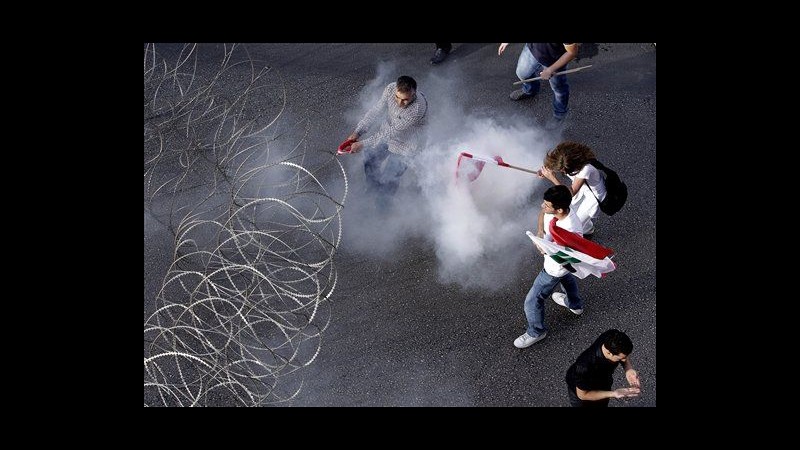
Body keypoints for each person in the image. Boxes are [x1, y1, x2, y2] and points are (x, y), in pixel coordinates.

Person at [514, 185, 585, 349]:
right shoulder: (558, 209)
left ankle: (536, 331)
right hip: (561, 267)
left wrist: (545, 249)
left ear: (559, 209)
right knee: (567, 277)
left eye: (546, 205)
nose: (542, 207)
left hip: (555, 267)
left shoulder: (571, 229)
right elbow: (542, 214)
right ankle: (575, 305)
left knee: (532, 301)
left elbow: (568, 257)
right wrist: (540, 232)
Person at [346, 75, 428, 210]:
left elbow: (390, 133)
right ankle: (373, 188)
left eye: (405, 100)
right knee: (370, 159)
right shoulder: (390, 89)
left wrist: (362, 144)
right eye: (398, 97)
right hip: (387, 136)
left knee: (390, 177)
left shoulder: (417, 109)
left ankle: (382, 209)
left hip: (407, 145)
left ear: (414, 93)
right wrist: (358, 132)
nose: (400, 103)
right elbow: (376, 111)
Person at [498, 43, 578, 123]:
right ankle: (530, 90)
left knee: (559, 89)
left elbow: (571, 52)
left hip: (554, 60)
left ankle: (560, 114)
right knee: (522, 73)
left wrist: (551, 69)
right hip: (531, 50)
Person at [539, 141, 605, 235]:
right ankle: (588, 229)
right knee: (576, 213)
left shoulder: (586, 169)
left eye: (563, 170)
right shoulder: (567, 159)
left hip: (593, 197)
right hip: (583, 190)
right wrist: (545, 171)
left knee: (577, 222)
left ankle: (584, 232)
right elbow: (557, 163)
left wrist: (552, 178)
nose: (563, 172)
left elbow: (569, 194)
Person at [565, 329, 641, 407]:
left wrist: (628, 369)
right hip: (584, 391)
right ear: (609, 353)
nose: (624, 360)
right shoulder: (584, 367)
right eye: (620, 359)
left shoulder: (612, 336)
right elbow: (583, 395)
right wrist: (614, 393)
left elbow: (624, 356)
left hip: (602, 381)